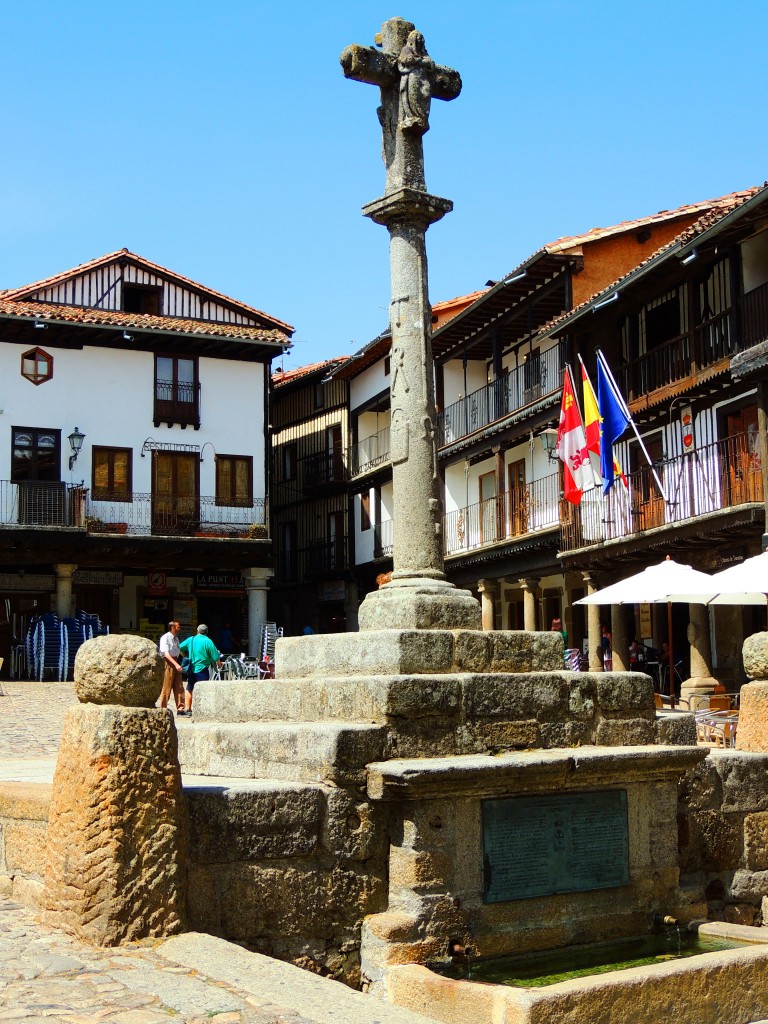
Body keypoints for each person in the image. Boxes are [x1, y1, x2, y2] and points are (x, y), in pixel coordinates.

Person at [179, 624, 222, 714]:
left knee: (189, 688)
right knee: (203, 689)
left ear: (197, 631)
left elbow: (179, 647)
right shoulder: (208, 641)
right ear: (206, 632)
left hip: (192, 668)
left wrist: (185, 656)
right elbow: (215, 655)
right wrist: (219, 664)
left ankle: (188, 708)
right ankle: (202, 709)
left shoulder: (191, 639)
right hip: (202, 669)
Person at [158, 620, 186, 714]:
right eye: (178, 626)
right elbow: (166, 653)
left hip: (176, 660)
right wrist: (176, 664)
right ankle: (163, 707)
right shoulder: (165, 638)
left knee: (179, 686)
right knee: (167, 685)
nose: (179, 628)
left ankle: (180, 708)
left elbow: (178, 650)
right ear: (172, 628)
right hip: (169, 662)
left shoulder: (176, 638)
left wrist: (184, 658)